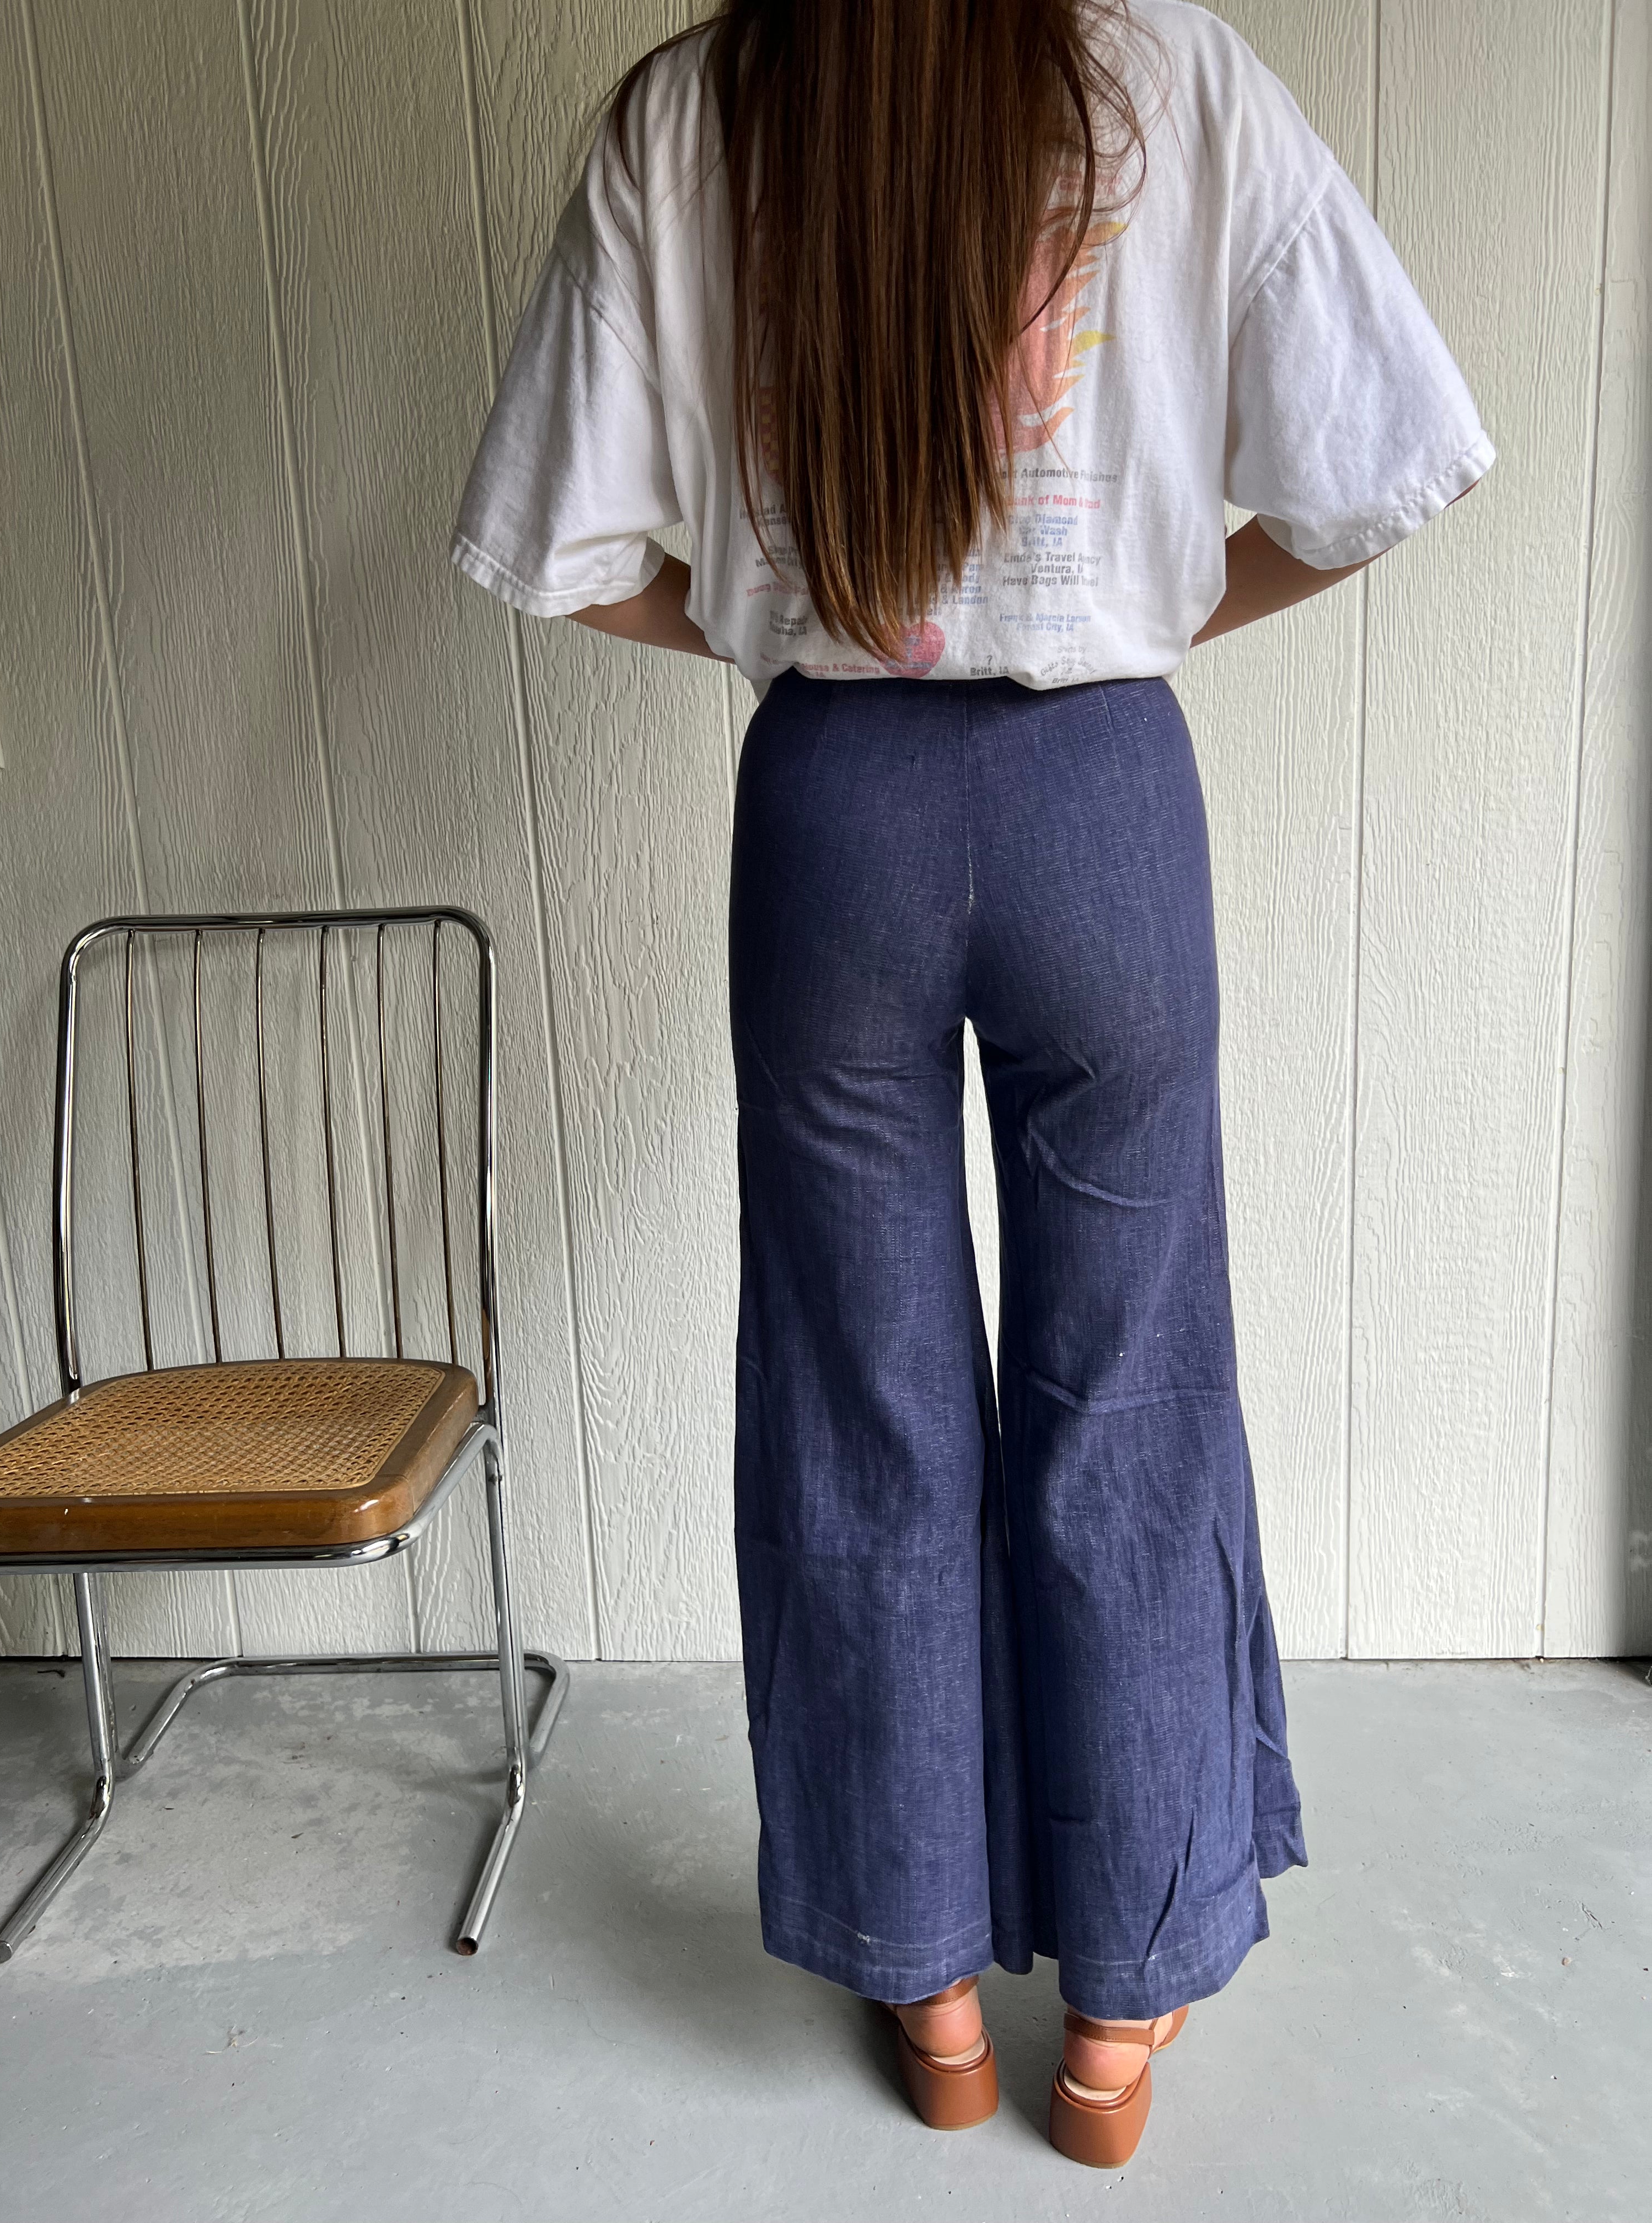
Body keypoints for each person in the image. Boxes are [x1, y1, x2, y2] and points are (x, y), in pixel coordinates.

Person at [450, 0, 1493, 2170]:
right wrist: (1152, 603)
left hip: (832, 808)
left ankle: (923, 1985)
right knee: (1133, 1393)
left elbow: (565, 549)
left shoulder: (693, 107)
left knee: (864, 1401)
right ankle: (1116, 2017)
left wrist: (780, 620)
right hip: (1103, 783)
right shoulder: (1169, 74)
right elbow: (1387, 463)